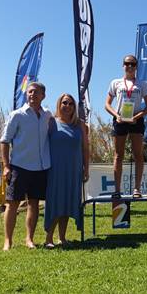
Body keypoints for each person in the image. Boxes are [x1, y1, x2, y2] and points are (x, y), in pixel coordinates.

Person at [0, 82, 51, 251]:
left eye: (36, 93)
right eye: (30, 92)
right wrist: (6, 166)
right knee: (12, 204)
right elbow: (5, 141)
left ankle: (29, 239)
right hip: (19, 166)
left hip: (40, 168)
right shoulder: (17, 115)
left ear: (43, 96)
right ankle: (8, 241)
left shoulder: (47, 116)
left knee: (34, 204)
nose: (32, 95)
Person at [44, 94, 89, 248]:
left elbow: (85, 148)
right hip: (55, 170)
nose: (68, 106)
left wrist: (86, 168)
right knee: (56, 203)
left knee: (69, 203)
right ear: (59, 104)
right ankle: (48, 238)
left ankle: (62, 238)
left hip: (74, 170)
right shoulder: (51, 123)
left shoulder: (80, 124)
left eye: (71, 104)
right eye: (65, 103)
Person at [105, 55, 147, 197]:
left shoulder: (142, 84)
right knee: (118, 155)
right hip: (119, 120)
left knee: (138, 155)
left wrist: (136, 117)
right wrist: (117, 115)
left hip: (136, 120)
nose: (129, 66)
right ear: (123, 65)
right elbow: (107, 104)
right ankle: (117, 190)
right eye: (127, 63)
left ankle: (137, 189)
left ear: (136, 66)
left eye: (132, 64)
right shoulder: (115, 82)